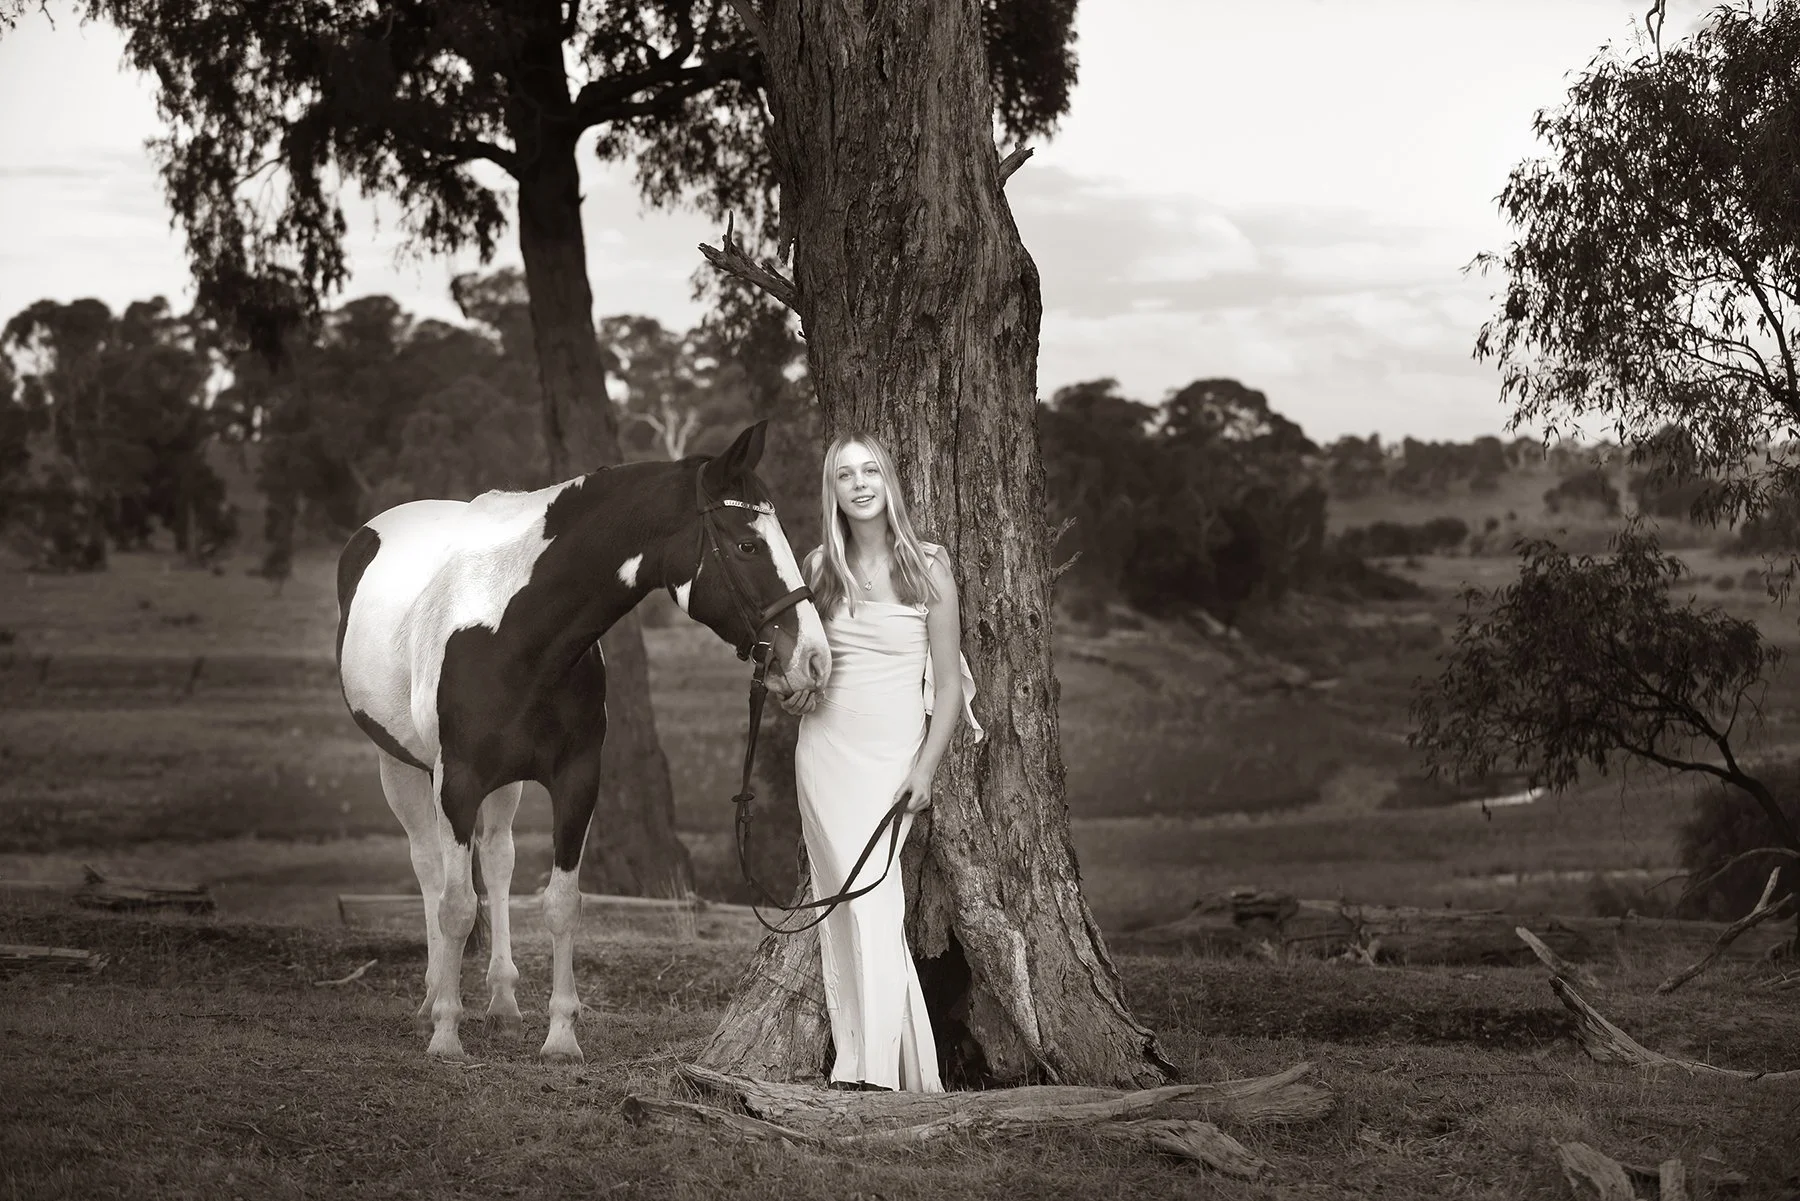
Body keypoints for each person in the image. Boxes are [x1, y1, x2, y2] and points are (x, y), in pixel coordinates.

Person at [778, 431, 982, 1093]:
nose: (860, 483)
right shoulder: (817, 568)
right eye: (845, 474)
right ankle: (866, 1066)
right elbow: (805, 673)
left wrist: (925, 769)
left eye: (870, 470)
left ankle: (882, 1071)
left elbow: (947, 687)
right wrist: (789, 692)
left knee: (874, 901)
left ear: (889, 481)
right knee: (842, 909)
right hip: (825, 752)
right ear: (831, 489)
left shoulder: (928, 566)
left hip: (893, 758)